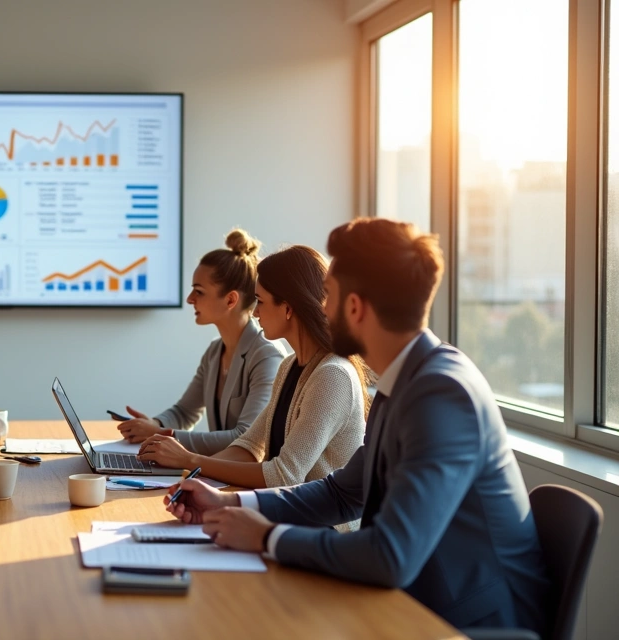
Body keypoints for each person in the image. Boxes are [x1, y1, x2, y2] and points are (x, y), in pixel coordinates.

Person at [165, 219, 549, 634]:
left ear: (356, 306)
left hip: (462, 621)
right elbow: (344, 491)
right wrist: (234, 506)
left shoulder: (442, 393)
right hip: (413, 601)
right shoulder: (404, 380)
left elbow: (391, 555)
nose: (321, 307)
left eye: (328, 295)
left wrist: (267, 537)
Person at [139, 245, 369, 494]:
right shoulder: (289, 366)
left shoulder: (332, 375)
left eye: (260, 301)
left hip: (324, 528)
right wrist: (190, 474)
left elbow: (284, 474)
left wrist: (190, 461)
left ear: (288, 308)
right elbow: (248, 448)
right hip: (288, 514)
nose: (256, 312)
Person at [116, 229, 285, 455]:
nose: (189, 299)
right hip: (220, 473)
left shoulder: (267, 356)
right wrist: (154, 425)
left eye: (199, 291)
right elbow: (185, 412)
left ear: (230, 299)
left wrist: (162, 436)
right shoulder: (216, 351)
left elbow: (246, 438)